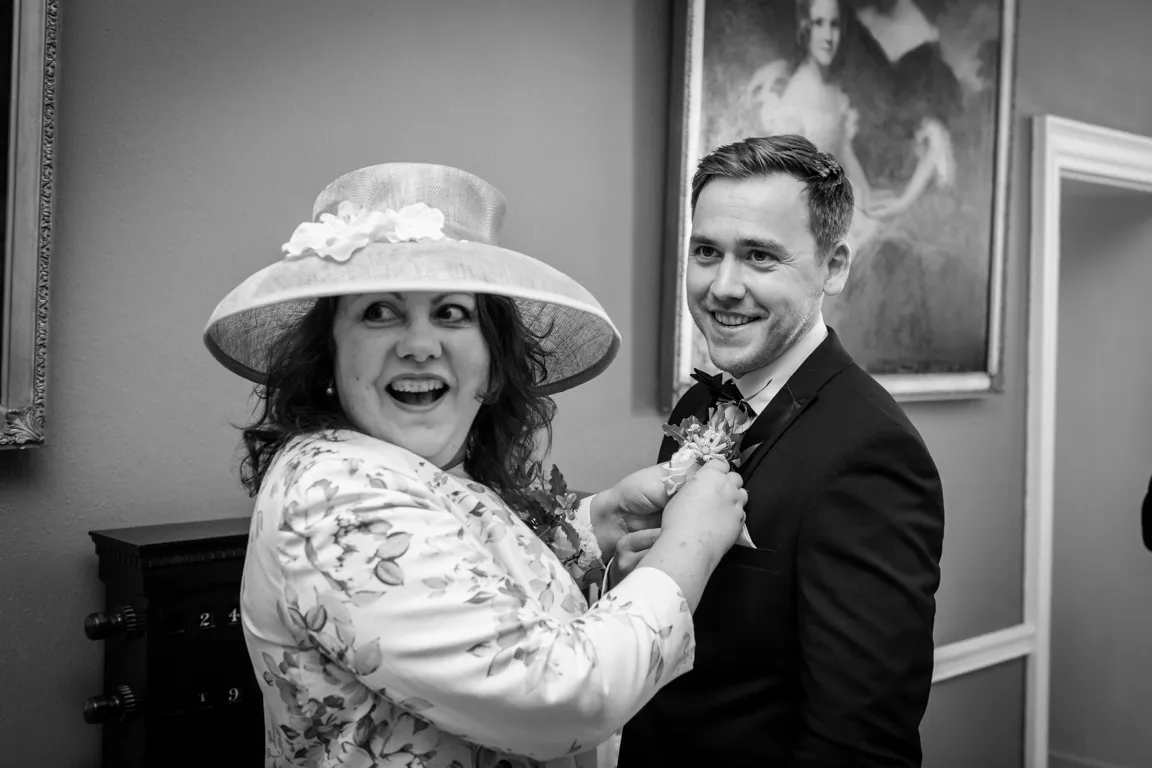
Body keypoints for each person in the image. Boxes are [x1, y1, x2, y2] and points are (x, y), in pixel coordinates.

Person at [202, 162, 748, 768]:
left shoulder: (395, 464)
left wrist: (598, 521)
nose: (418, 343)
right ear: (329, 354)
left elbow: (457, 565)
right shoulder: (338, 494)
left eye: (451, 313)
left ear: (491, 362)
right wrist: (690, 545)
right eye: (379, 311)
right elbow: (559, 695)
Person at [616, 135, 945, 767]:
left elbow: (860, 742)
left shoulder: (872, 454)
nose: (723, 286)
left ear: (835, 267)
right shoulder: (698, 407)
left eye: (760, 257)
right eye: (706, 252)